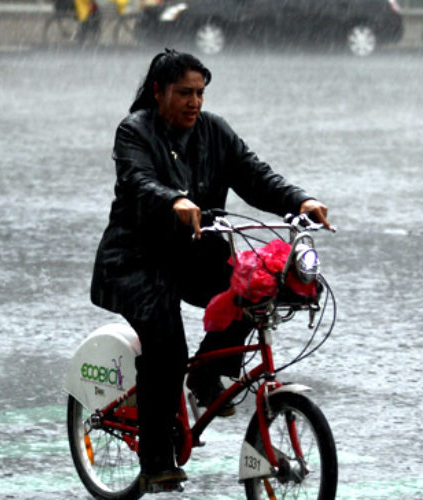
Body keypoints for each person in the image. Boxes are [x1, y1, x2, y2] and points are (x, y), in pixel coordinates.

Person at [90, 49, 331, 491]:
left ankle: (204, 376)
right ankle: (157, 459)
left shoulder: (214, 132)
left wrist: (300, 201)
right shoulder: (134, 132)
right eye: (185, 93)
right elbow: (139, 181)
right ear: (159, 92)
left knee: (256, 289)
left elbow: (257, 176)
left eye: (200, 93)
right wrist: (174, 200)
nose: (195, 102)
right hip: (135, 261)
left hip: (193, 252)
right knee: (165, 347)